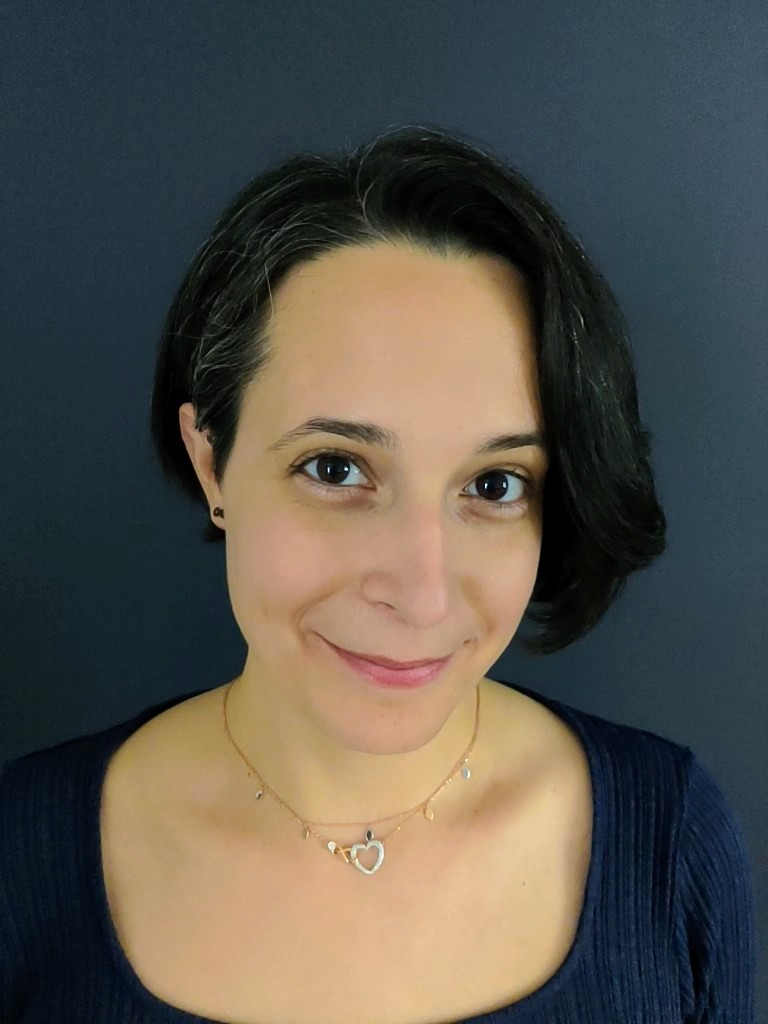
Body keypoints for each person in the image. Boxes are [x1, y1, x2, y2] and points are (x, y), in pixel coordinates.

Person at [0, 124, 757, 1023]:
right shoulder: (20, 860)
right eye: (336, 469)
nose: (423, 594)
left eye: (494, 484)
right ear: (212, 464)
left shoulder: (671, 844)